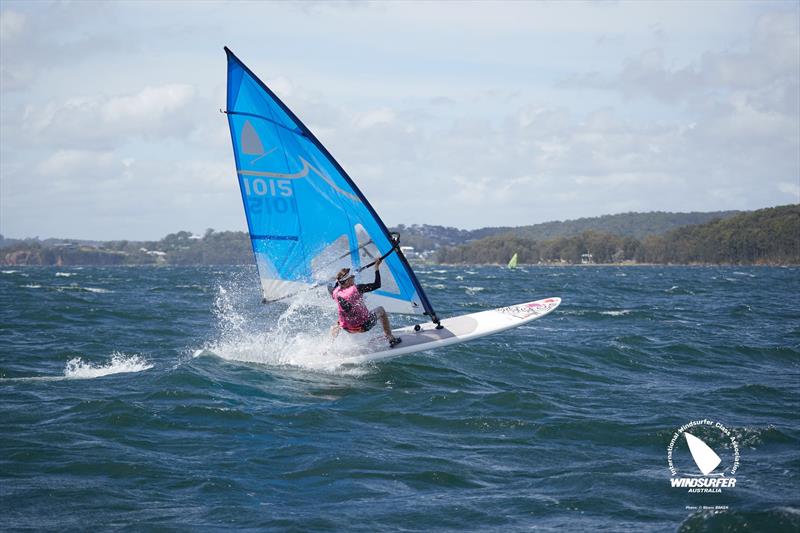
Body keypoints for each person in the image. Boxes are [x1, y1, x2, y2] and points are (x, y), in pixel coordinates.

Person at [329, 257, 402, 348]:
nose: (354, 278)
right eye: (352, 277)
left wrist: (335, 280)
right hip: (363, 326)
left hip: (347, 329)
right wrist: (376, 267)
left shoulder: (335, 292)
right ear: (347, 281)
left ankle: (329, 346)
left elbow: (330, 286)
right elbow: (377, 285)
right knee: (381, 310)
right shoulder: (357, 289)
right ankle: (391, 338)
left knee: (338, 323)